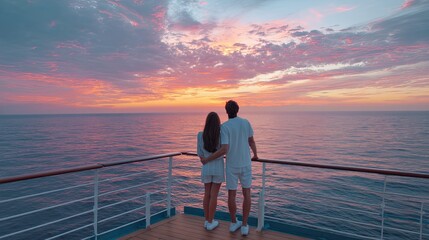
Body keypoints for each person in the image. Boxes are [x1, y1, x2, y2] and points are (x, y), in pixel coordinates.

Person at [201, 100, 258, 236]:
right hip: (246, 163)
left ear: (226, 111)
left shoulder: (224, 127)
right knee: (247, 194)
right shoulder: (246, 122)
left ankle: (234, 222)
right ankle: (244, 225)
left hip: (232, 165)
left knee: (231, 195)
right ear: (237, 109)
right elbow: (251, 141)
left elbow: (224, 149)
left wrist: (207, 159)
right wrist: (255, 154)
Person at [197, 112, 225, 231]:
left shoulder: (200, 135)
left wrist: (205, 159)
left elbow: (200, 153)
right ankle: (210, 221)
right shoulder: (221, 135)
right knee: (214, 195)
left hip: (206, 167)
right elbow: (224, 151)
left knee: (206, 194)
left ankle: (206, 220)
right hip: (217, 167)